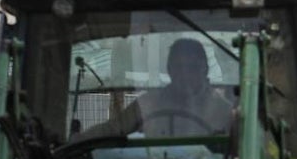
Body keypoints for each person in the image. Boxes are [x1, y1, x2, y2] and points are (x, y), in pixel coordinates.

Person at [74, 37, 232, 141]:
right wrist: (77, 141)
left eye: (192, 67)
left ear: (204, 69)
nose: (185, 74)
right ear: (170, 70)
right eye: (179, 67)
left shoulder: (224, 111)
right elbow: (114, 129)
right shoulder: (148, 104)